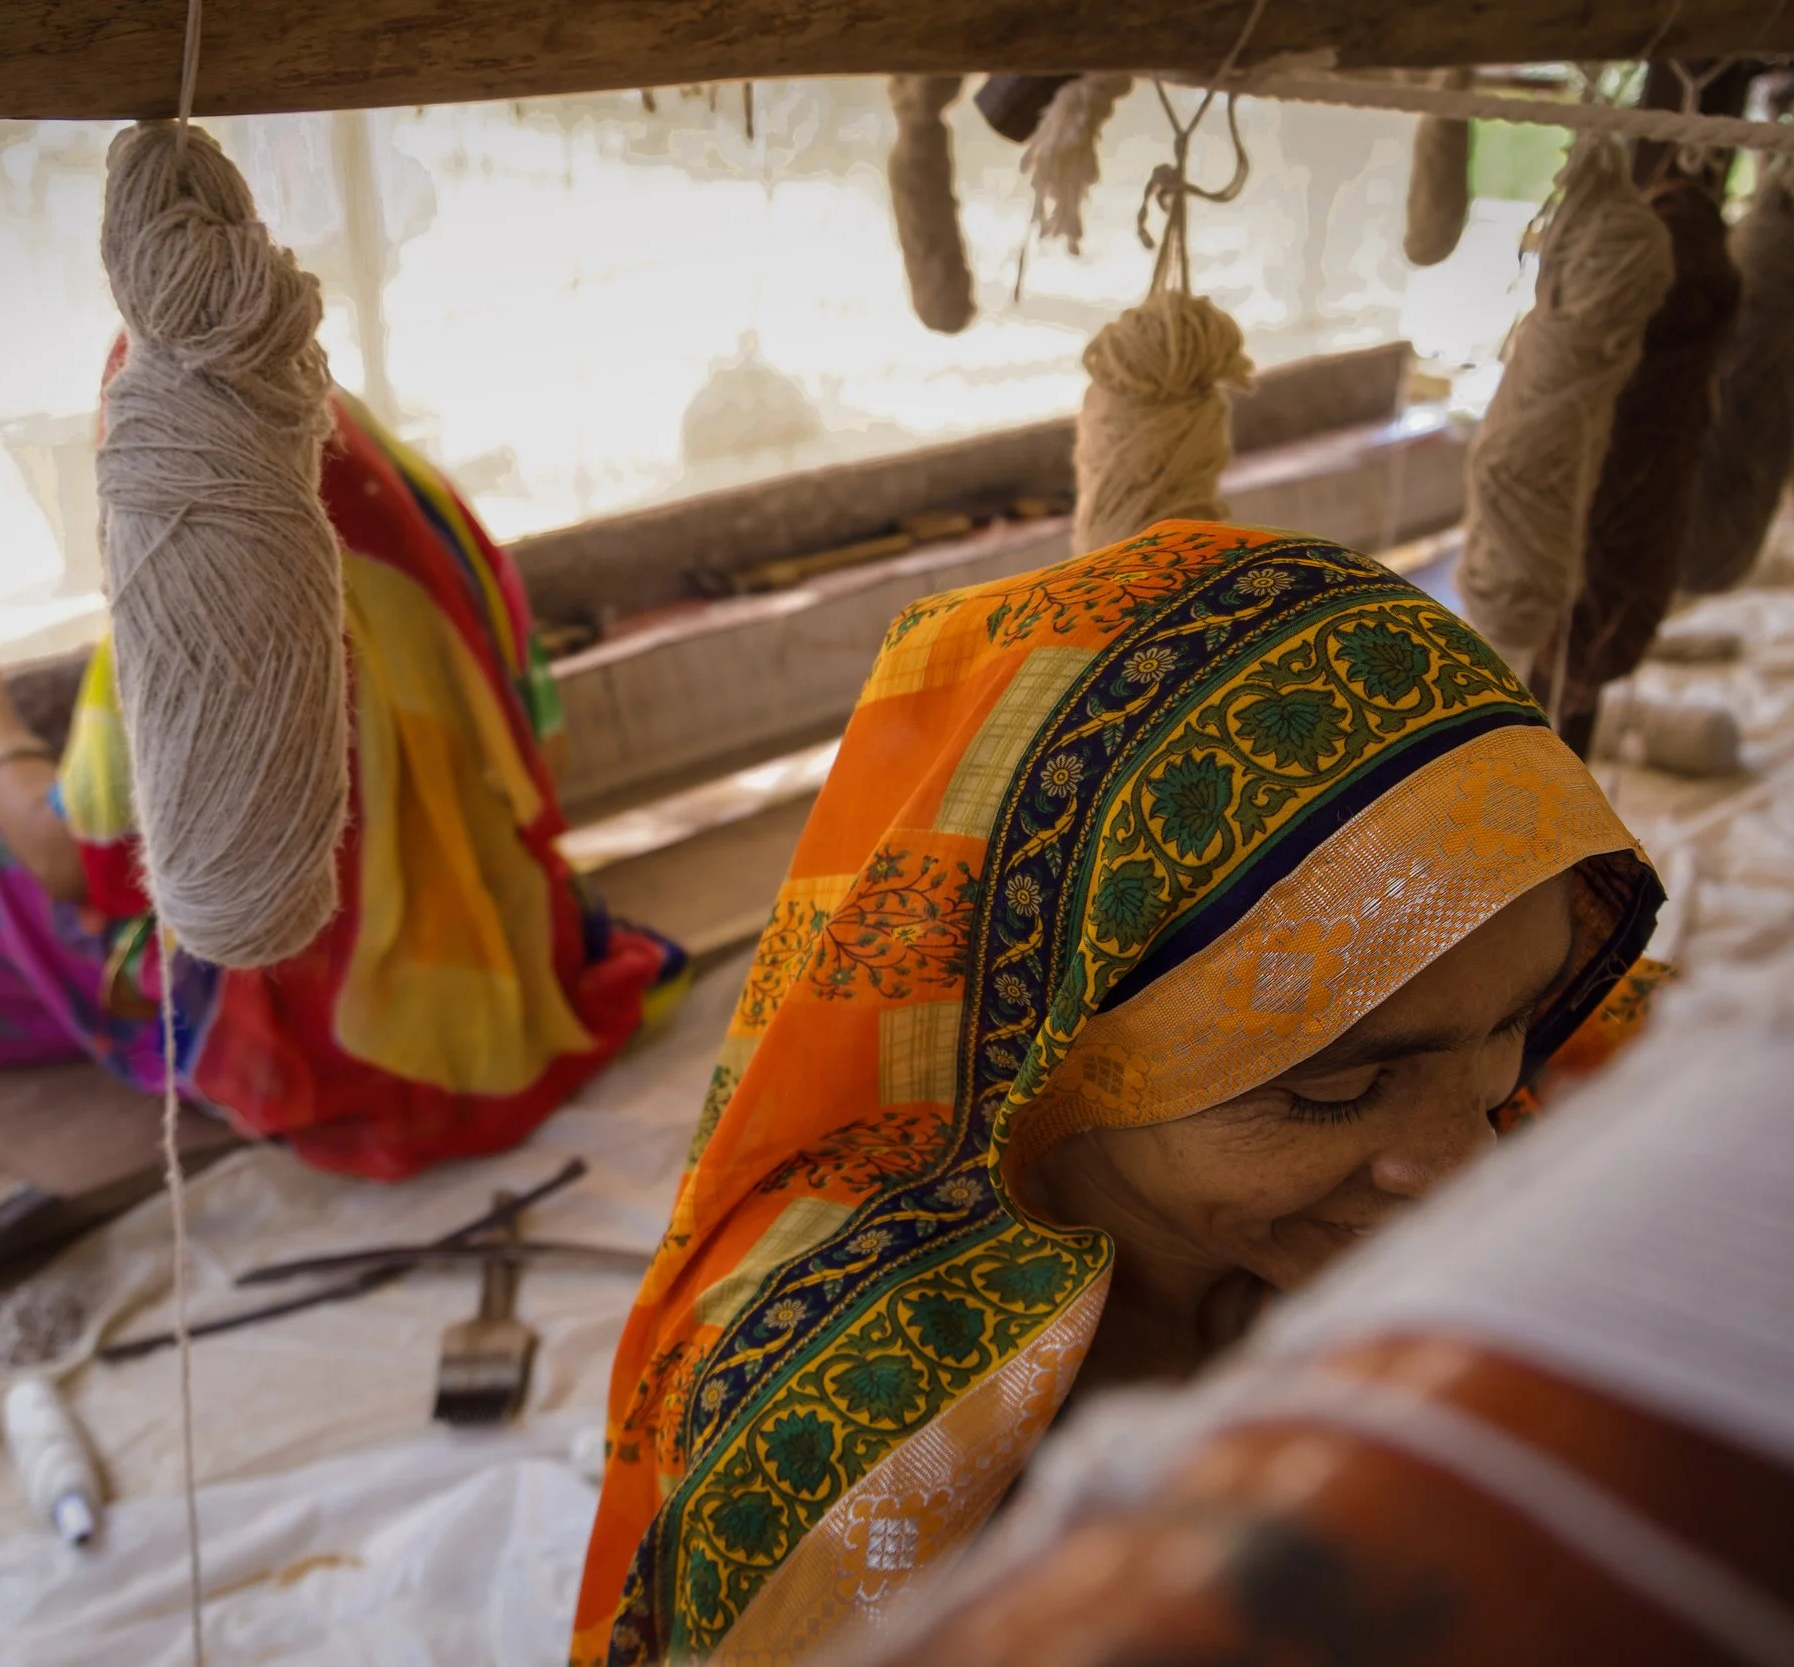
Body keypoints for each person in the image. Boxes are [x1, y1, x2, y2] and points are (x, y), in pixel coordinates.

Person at [572, 521, 1668, 1665]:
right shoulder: (834, 1447)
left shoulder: (1624, 1102)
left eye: (1513, 1028)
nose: (1469, 1165)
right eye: (1340, 1089)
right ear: (1052, 1063)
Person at [0, 341, 685, 1180]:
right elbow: (539, 739)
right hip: (512, 957)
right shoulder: (418, 507)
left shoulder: (185, 606)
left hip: (338, 1038)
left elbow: (70, 856)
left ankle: (123, 1043)